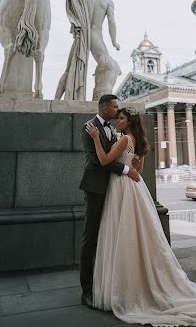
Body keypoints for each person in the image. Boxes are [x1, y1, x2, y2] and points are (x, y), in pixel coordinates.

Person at [85, 106, 196, 326]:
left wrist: (95, 138)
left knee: (121, 232)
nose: (118, 121)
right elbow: (138, 173)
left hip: (121, 188)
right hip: (134, 188)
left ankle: (125, 288)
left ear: (129, 121)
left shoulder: (124, 140)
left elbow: (103, 160)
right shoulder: (138, 141)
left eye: (121, 118)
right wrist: (128, 167)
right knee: (136, 233)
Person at [79, 94, 141, 308]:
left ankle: (109, 283)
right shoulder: (89, 127)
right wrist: (126, 169)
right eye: (115, 107)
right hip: (96, 188)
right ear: (105, 108)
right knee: (91, 237)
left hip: (115, 189)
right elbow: (98, 160)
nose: (117, 110)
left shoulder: (118, 132)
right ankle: (87, 290)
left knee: (112, 235)